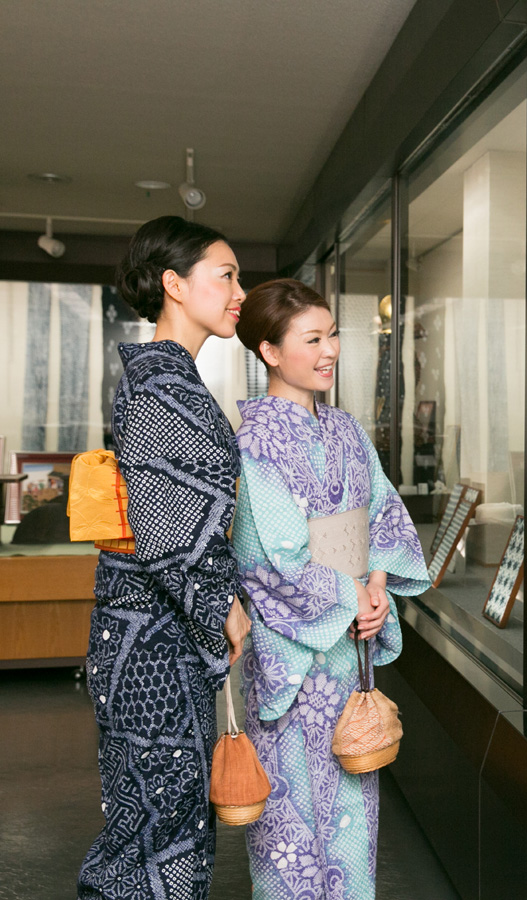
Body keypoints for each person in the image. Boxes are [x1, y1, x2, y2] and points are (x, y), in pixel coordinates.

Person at [230, 278, 430, 900]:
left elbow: (382, 513)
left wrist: (375, 586)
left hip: (345, 650)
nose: (330, 350)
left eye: (333, 334)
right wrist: (352, 598)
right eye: (312, 338)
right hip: (290, 654)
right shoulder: (253, 441)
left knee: (353, 801)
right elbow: (273, 557)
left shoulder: (345, 430)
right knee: (289, 826)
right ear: (269, 351)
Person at [78, 216, 252, 900]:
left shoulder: (169, 379)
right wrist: (226, 608)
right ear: (175, 285)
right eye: (226, 275)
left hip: (153, 637)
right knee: (153, 831)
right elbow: (169, 533)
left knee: (164, 821)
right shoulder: (157, 385)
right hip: (151, 646)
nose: (239, 291)